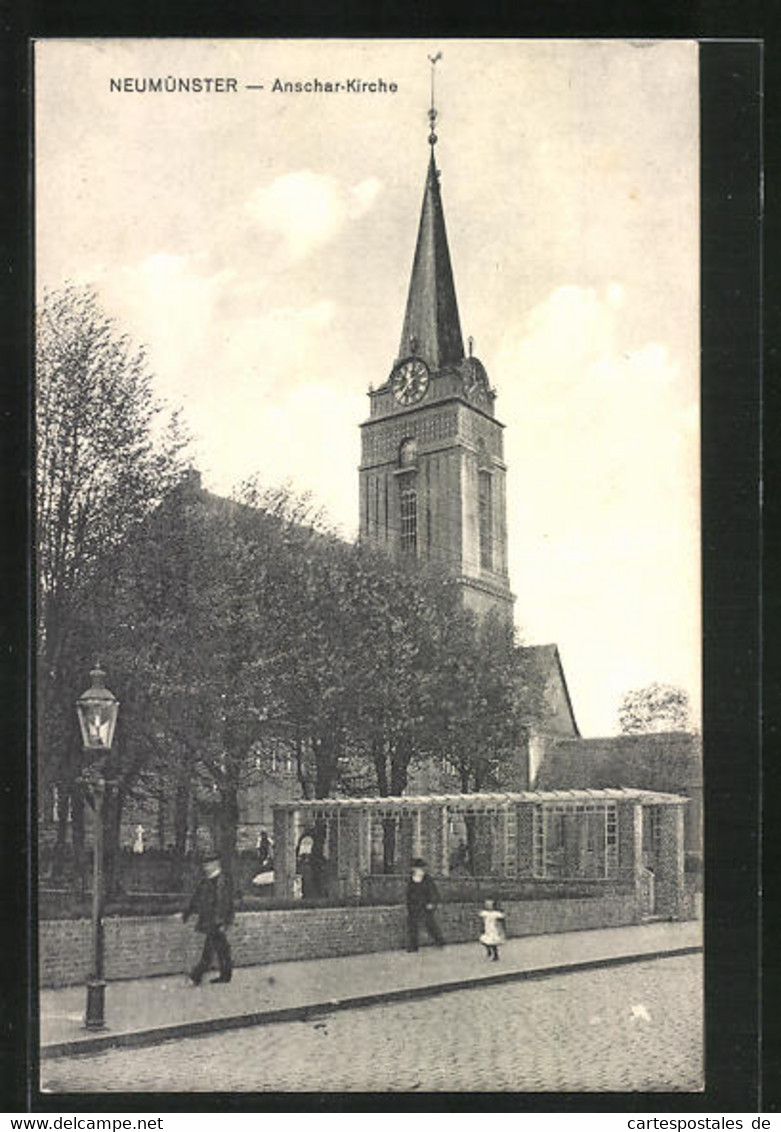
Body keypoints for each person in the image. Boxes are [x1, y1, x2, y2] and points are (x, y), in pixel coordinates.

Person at [182, 856, 234, 985]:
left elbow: (227, 903)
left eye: (209, 865)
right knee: (222, 949)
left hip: (216, 921)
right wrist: (188, 912)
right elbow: (196, 898)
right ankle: (225, 975)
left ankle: (196, 976)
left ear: (216, 865)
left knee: (210, 950)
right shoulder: (205, 882)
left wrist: (224, 921)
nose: (206, 868)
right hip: (210, 920)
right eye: (205, 865)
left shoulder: (223, 881)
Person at [405, 858, 445, 951]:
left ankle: (439, 940)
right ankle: (413, 946)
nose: (418, 870)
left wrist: (432, 902)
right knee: (412, 925)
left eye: (420, 868)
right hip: (414, 906)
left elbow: (433, 892)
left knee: (430, 924)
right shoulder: (411, 879)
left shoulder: (427, 879)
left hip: (425, 905)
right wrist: (409, 904)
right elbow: (408, 893)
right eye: (416, 868)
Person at [478, 897, 506, 962]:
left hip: (493, 929)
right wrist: (482, 927)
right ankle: (489, 952)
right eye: (487, 905)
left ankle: (496, 955)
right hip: (487, 928)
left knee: (493, 943)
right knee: (484, 940)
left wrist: (500, 929)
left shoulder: (495, 913)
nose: (488, 906)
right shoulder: (485, 913)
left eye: (490, 905)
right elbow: (481, 920)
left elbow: (502, 918)